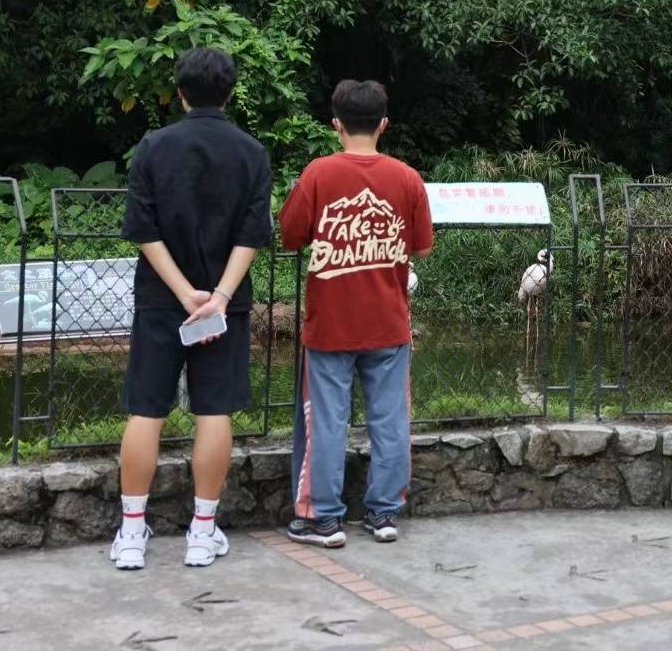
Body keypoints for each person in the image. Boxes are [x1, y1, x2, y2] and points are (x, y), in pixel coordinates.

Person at [112, 47, 273, 570]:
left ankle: (132, 535)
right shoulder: (252, 153)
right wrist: (219, 296)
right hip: (224, 306)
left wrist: (184, 294)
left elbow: (143, 229)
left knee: (146, 410)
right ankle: (202, 534)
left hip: (163, 300)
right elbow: (252, 234)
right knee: (214, 411)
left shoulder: (154, 147)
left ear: (180, 92)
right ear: (229, 92)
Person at [279, 79, 433, 547]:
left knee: (325, 419)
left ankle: (323, 518)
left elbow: (290, 235)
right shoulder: (407, 178)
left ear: (336, 125)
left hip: (329, 325)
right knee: (390, 419)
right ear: (383, 124)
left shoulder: (318, 174)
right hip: (388, 323)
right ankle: (384, 513)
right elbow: (421, 249)